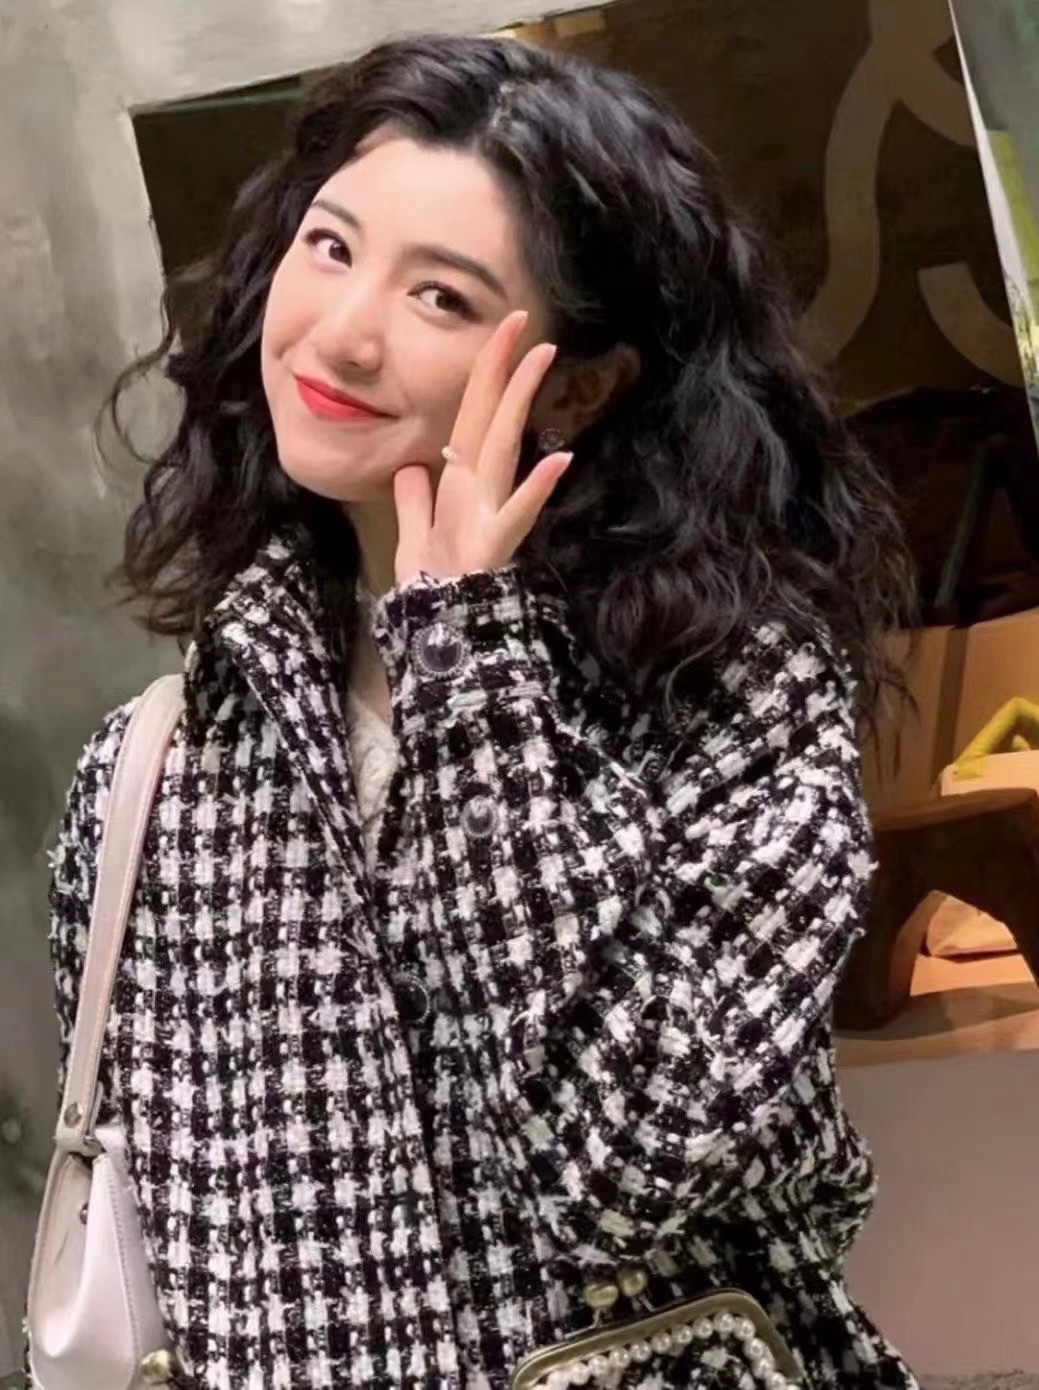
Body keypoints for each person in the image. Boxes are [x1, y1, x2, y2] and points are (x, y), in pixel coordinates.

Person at [48, 30, 920, 1390]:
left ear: (575, 383)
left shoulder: (735, 702)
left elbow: (630, 1166)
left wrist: (469, 664)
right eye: (330, 246)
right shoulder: (151, 774)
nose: (343, 331)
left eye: (442, 296)